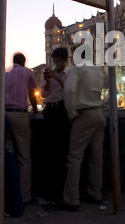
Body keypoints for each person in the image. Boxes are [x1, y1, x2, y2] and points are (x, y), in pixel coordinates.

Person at [60, 47, 108, 212]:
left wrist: (72, 113)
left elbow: (68, 90)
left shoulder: (77, 69)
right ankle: (95, 194)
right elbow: (111, 88)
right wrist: (102, 103)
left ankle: (72, 199)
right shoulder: (100, 71)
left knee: (75, 157)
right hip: (99, 115)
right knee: (97, 158)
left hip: (84, 115)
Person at [5, 52, 38, 204]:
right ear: (24, 62)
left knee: (5, 155)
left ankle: (5, 194)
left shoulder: (5, 74)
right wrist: (36, 111)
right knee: (23, 157)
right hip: (19, 116)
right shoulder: (27, 72)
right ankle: (24, 197)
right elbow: (32, 93)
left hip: (4, 116)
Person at [40, 47, 71, 203]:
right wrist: (46, 82)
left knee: (62, 151)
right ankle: (49, 191)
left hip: (62, 111)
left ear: (65, 60)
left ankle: (61, 191)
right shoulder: (47, 74)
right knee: (48, 151)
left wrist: (57, 79)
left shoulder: (70, 74)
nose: (55, 64)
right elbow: (43, 95)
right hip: (49, 111)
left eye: (58, 61)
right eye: (54, 61)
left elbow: (70, 92)